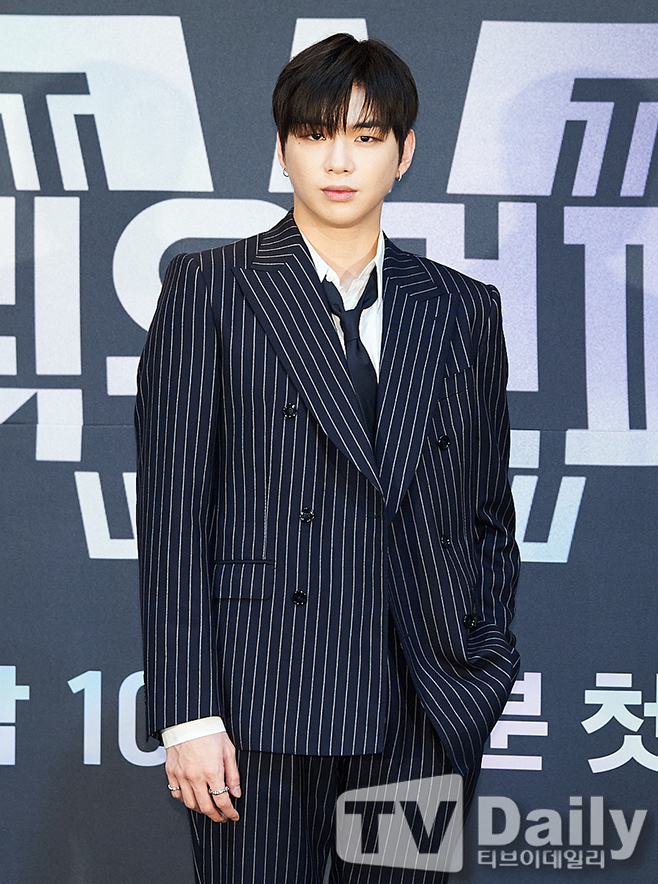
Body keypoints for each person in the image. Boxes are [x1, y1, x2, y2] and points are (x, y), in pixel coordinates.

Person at [135, 33, 520, 884]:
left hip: (421, 703)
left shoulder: (460, 309)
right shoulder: (211, 288)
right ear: (282, 150)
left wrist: (481, 663)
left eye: (366, 136)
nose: (338, 161)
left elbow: (486, 511)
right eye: (314, 135)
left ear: (404, 152)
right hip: (260, 700)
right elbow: (171, 515)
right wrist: (188, 713)